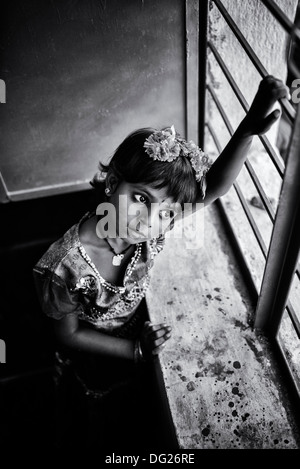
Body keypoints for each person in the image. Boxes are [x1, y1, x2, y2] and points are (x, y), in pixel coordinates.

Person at [33, 75, 289, 448]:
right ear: (113, 182)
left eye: (167, 213)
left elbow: (213, 187)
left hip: (137, 331)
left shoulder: (152, 228)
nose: (150, 220)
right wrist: (134, 351)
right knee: (98, 416)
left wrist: (249, 127)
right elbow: (68, 334)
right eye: (140, 198)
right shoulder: (64, 268)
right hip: (95, 356)